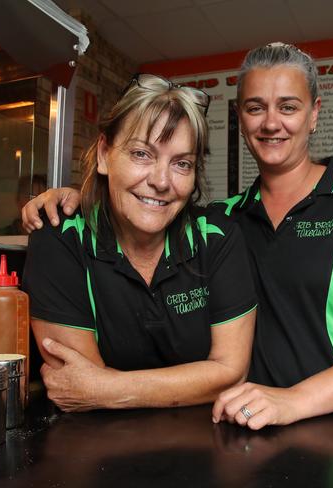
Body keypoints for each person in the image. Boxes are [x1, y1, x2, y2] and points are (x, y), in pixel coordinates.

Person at [22, 43, 333, 428]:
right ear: (240, 117)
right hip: (246, 422)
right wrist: (81, 195)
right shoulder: (223, 221)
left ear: (314, 114)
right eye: (255, 107)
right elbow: (145, 201)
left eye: (288, 106)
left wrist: (295, 400)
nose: (271, 123)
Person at [22, 73, 257, 412]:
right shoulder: (61, 238)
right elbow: (72, 382)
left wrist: (105, 389)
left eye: (182, 163)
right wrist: (199, 382)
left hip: (205, 447)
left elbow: (232, 373)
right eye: (141, 154)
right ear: (104, 154)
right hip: (90, 452)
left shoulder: (217, 236)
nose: (161, 181)